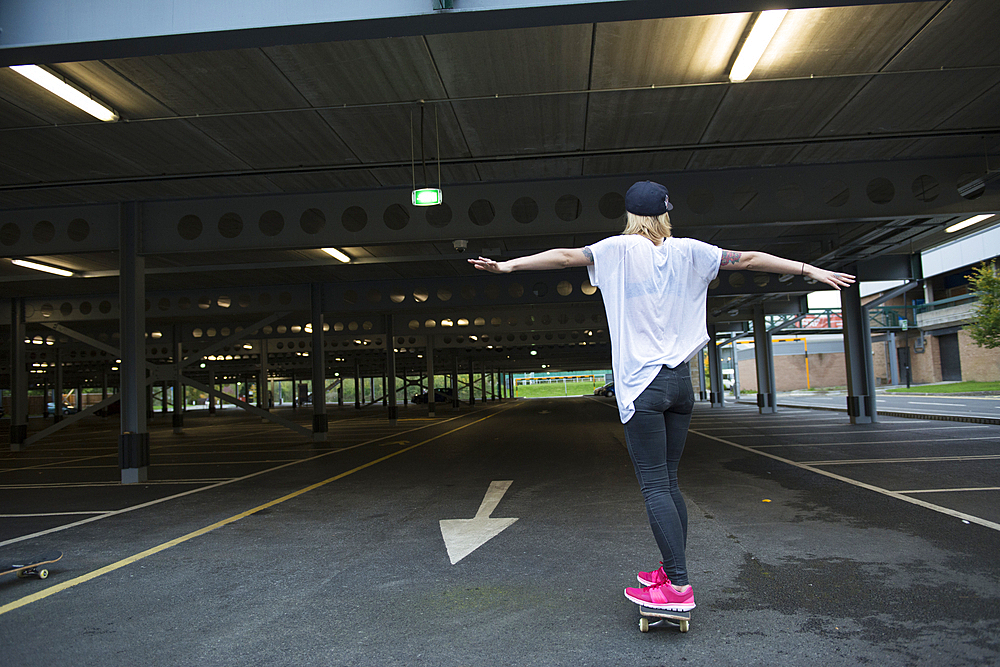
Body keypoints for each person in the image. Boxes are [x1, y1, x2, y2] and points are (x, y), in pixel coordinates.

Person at [469, 180, 855, 612]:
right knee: (669, 483)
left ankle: (678, 587)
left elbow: (562, 257)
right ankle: (672, 572)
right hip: (679, 383)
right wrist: (807, 269)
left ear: (630, 216)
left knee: (654, 486)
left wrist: (506, 267)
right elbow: (748, 258)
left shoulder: (616, 248)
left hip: (643, 384)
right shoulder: (692, 250)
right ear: (667, 214)